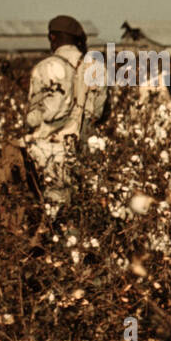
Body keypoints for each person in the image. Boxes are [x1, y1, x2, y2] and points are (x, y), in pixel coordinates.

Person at [24, 15, 108, 214]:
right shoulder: (97, 68)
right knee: (81, 213)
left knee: (50, 216)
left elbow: (35, 118)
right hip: (84, 153)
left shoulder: (45, 67)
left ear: (53, 38)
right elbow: (100, 113)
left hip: (48, 154)